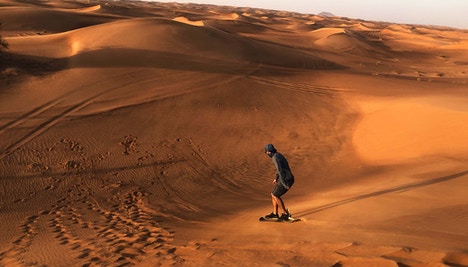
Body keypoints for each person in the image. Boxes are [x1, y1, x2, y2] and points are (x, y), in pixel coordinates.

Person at [264, 143, 294, 220]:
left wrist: (284, 183)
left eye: (266, 152)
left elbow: (280, 171)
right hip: (284, 178)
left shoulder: (275, 158)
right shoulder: (278, 155)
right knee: (273, 194)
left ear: (269, 152)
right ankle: (275, 214)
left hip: (286, 179)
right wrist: (276, 179)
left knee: (275, 195)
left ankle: (285, 214)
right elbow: (280, 169)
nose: (266, 153)